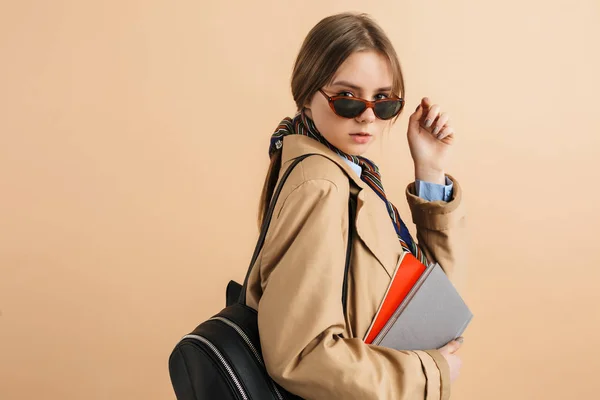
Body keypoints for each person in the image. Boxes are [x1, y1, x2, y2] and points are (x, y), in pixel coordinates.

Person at [245, 11, 466, 400]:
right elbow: (302, 354)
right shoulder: (322, 185)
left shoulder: (352, 175)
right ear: (307, 96)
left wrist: (429, 169)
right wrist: (428, 372)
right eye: (347, 99)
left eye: (383, 101)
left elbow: (428, 302)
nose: (367, 116)